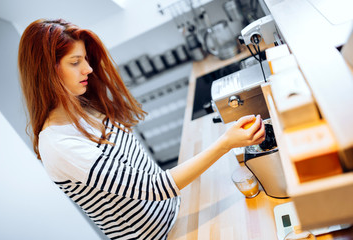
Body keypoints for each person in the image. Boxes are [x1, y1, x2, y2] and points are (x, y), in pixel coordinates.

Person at [18, 19, 265, 240]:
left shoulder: (84, 107)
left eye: (85, 59)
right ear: (47, 72)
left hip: (178, 211)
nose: (88, 69)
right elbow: (153, 187)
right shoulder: (57, 144)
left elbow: (142, 171)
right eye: (75, 62)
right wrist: (225, 142)